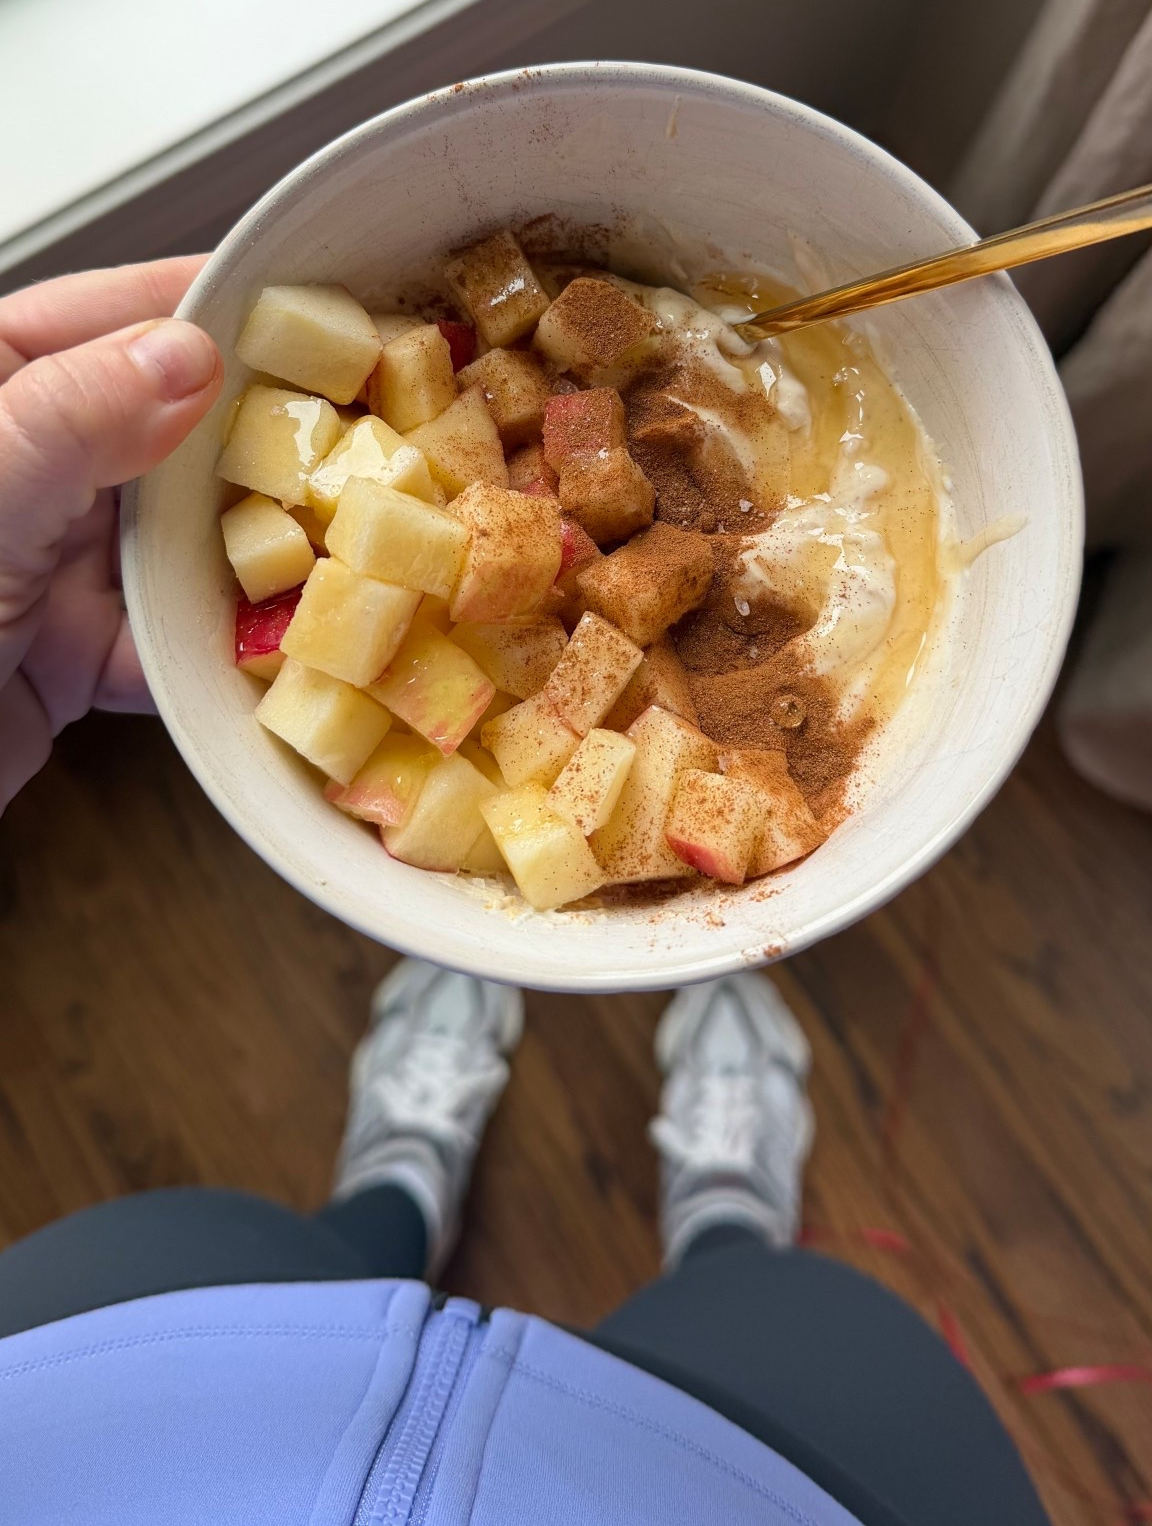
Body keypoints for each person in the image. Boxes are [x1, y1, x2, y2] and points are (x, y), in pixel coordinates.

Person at [0, 261, 1050, 1526]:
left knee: (275, 1257)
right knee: (808, 1321)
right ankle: (726, 1217)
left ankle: (396, 1174)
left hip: (115, 1409)